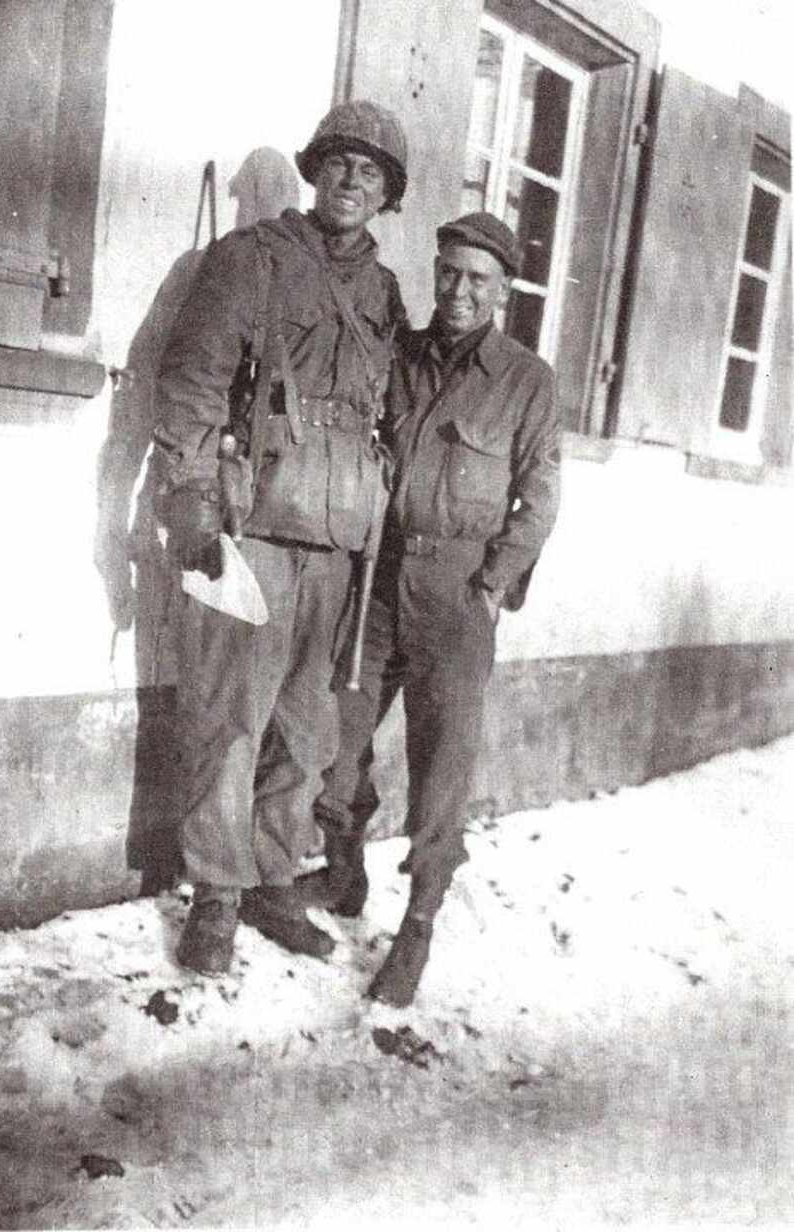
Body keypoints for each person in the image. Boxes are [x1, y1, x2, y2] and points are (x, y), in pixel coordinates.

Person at [151, 101, 408, 976]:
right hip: (255, 523)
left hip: (340, 543)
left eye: (370, 172)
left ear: (386, 194)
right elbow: (191, 381)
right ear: (313, 171)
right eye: (339, 163)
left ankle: (268, 877)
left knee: (306, 729)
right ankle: (216, 897)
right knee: (233, 718)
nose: (351, 181)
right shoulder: (249, 260)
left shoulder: (383, 291)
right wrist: (188, 492)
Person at [300, 211, 562, 1006]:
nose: (458, 290)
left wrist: (488, 586)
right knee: (338, 740)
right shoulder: (402, 355)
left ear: (502, 291)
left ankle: (417, 923)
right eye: (449, 273)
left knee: (441, 770)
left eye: (477, 279)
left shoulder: (527, 379)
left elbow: (541, 498)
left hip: (456, 596)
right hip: (379, 581)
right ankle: (344, 873)